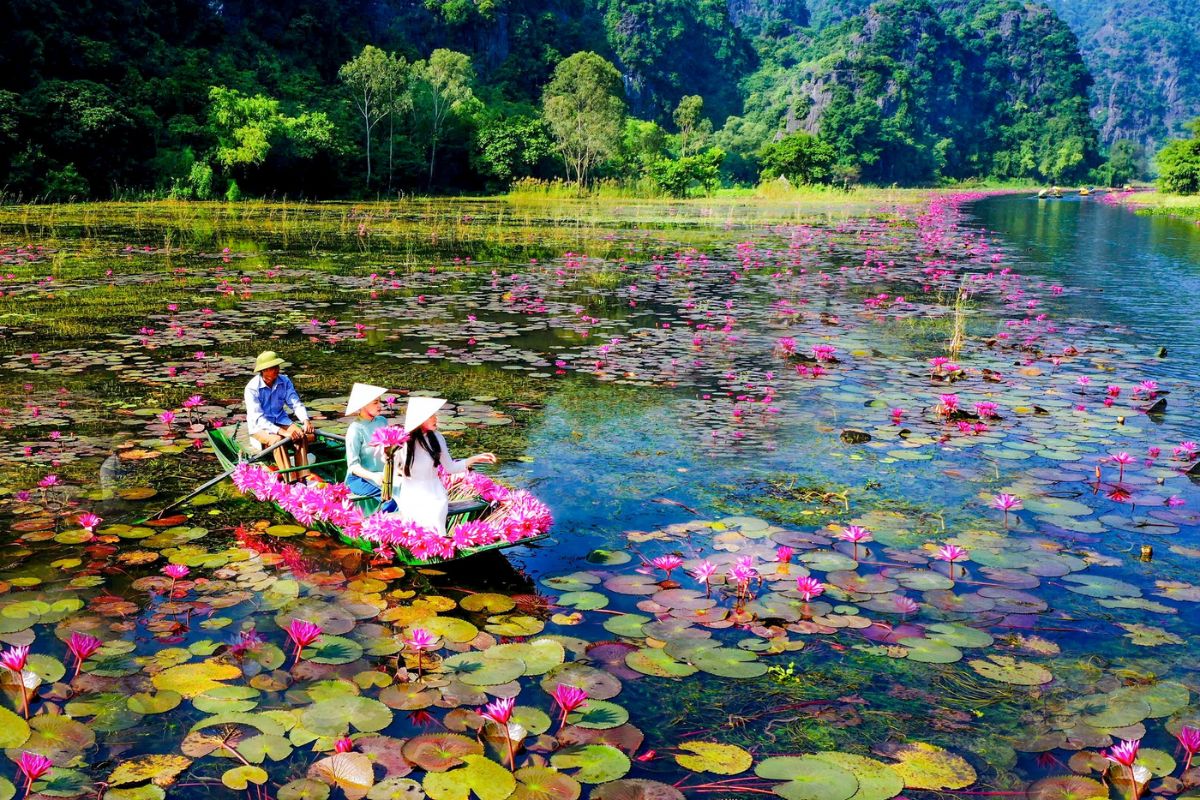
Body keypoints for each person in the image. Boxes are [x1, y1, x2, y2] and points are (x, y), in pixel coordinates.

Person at [394, 396, 496, 536]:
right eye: (431, 416)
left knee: (436, 528)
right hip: (411, 495)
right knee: (415, 532)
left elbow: (450, 468)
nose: (435, 418)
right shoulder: (401, 442)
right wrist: (387, 454)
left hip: (435, 495)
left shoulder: (437, 437)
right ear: (420, 419)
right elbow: (392, 470)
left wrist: (474, 459)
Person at [244, 351, 314, 482]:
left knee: (301, 435)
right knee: (277, 440)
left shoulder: (285, 381)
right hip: (259, 427)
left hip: (281, 419)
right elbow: (258, 419)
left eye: (277, 366)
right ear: (264, 370)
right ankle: (290, 479)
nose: (277, 370)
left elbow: (295, 403)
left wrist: (305, 420)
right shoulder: (252, 389)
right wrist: (283, 432)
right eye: (273, 367)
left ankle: (302, 476)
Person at [343, 383, 390, 499]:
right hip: (360, 479)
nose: (380, 405)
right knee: (390, 497)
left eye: (380, 401)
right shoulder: (355, 429)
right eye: (375, 402)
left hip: (384, 475)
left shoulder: (382, 421)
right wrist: (373, 476)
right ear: (363, 405)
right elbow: (353, 466)